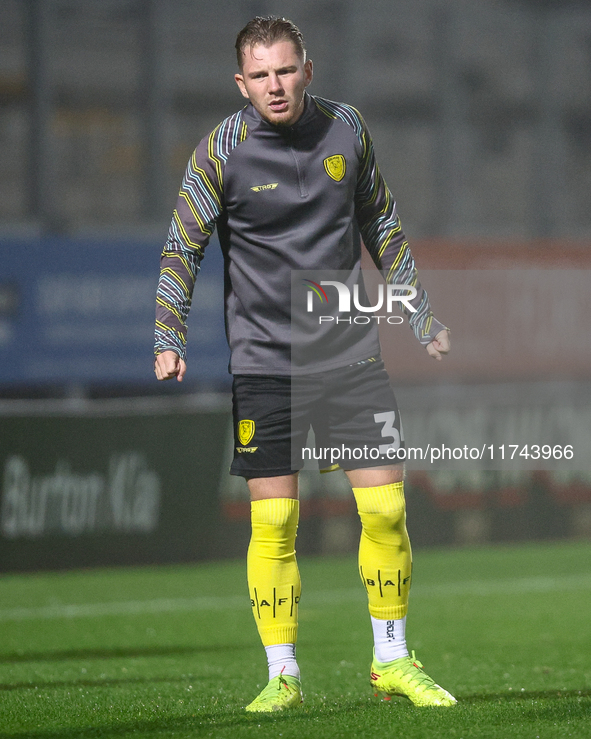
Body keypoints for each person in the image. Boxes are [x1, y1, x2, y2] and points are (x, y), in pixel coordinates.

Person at [154, 16, 456, 712]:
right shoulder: (219, 150)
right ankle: (282, 672)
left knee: (384, 510)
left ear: (307, 70)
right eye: (259, 75)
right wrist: (168, 331)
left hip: (348, 352)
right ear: (241, 83)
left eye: (285, 70)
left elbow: (381, 221)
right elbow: (181, 246)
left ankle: (392, 660)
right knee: (275, 525)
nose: (274, 86)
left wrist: (418, 313)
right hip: (265, 362)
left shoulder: (346, 128)